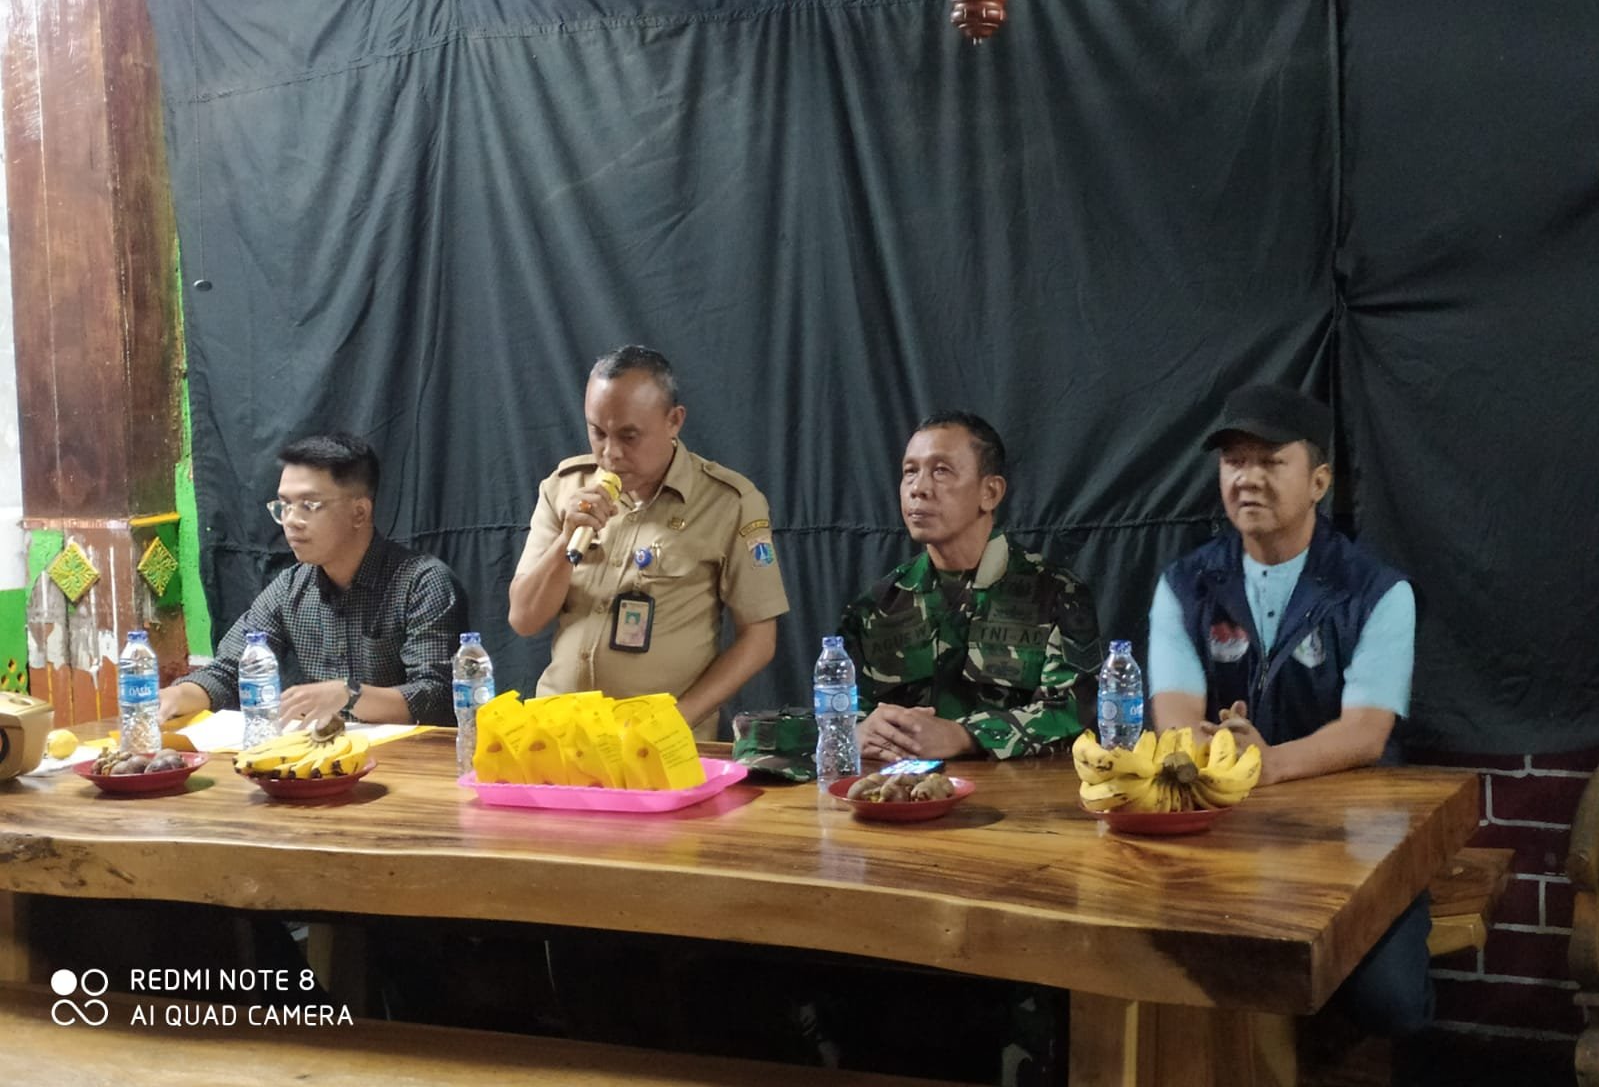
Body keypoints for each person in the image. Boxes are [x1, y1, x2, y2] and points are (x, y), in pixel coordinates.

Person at [1146, 382, 1428, 1035]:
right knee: (1163, 974)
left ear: (1319, 481)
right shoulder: (1185, 585)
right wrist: (1213, 750)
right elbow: (1176, 715)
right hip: (1220, 832)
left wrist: (1268, 763)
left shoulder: (1378, 591)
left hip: (1351, 836)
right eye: (1234, 461)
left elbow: (1365, 733)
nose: (1247, 478)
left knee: (1389, 1002)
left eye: (1271, 461)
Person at [508, 345, 789, 738]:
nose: (610, 454)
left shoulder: (729, 502)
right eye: (598, 432)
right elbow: (524, 619)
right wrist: (566, 542)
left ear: (674, 421)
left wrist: (676, 720)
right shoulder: (564, 488)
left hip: (658, 744)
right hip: (560, 735)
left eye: (629, 436)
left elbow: (759, 640)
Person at [840, 412, 1101, 761]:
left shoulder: (1056, 594)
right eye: (910, 471)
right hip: (901, 789)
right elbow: (840, 709)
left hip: (1020, 792)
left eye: (941, 471)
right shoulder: (875, 607)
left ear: (990, 492)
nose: (918, 488)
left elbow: (1075, 713)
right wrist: (858, 731)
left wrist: (966, 736)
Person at [159, 432, 467, 728]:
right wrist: (180, 694)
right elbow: (230, 670)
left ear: (359, 512)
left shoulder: (422, 582)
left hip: (412, 757)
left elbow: (436, 696)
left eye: (309, 505)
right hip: (326, 752)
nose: (291, 520)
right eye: (284, 505)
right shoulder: (291, 587)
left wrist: (349, 694)